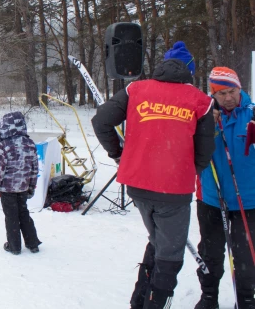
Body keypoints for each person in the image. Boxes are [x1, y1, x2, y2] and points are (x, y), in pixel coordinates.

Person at [91, 42, 215, 309]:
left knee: (158, 243)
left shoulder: (137, 88)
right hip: (173, 191)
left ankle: (139, 301)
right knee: (170, 256)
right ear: (189, 71)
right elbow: (205, 150)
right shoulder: (201, 101)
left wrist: (118, 154)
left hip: (138, 185)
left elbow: (100, 121)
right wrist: (189, 170)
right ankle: (155, 302)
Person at [194, 67, 255, 309]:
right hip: (212, 198)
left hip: (248, 201)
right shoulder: (204, 116)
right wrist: (204, 127)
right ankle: (209, 297)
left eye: (232, 91)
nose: (228, 98)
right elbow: (188, 148)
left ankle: (246, 298)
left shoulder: (251, 114)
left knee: (246, 255)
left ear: (240, 88)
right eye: (221, 94)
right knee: (210, 253)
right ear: (213, 95)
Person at [0, 111, 41, 255]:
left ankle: (14, 246)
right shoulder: (30, 144)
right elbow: (35, 168)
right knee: (23, 213)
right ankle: (32, 243)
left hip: (7, 189)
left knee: (11, 217)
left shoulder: (4, 145)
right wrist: (31, 187)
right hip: (23, 187)